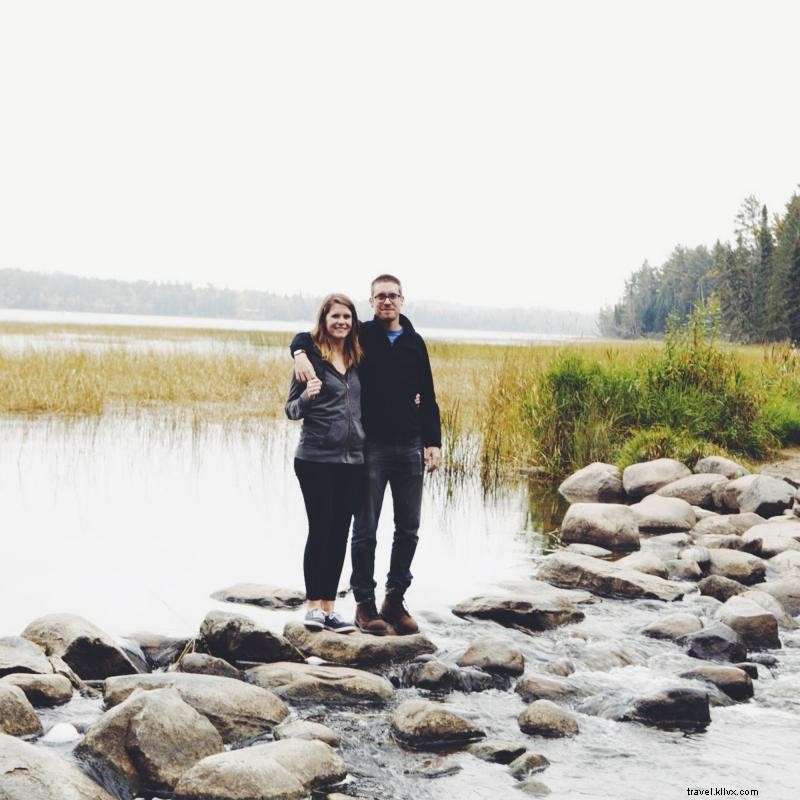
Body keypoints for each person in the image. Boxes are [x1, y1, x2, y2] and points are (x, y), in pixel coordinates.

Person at [291, 274, 441, 636]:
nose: (386, 301)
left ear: (402, 300)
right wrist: (297, 352)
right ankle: (364, 604)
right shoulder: (363, 337)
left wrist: (432, 441)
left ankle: (395, 599)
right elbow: (311, 337)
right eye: (379, 297)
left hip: (409, 447)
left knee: (408, 528)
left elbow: (428, 393)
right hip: (369, 448)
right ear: (371, 303)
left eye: (392, 296)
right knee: (365, 530)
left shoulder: (414, 342)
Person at [285, 293, 366, 633]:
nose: (342, 322)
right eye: (335, 317)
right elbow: (291, 410)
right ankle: (313, 606)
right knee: (320, 529)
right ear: (325, 319)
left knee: (340, 532)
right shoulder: (310, 360)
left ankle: (331, 608)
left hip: (353, 461)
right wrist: (307, 396)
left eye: (347, 317)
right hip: (316, 458)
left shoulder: (359, 356)